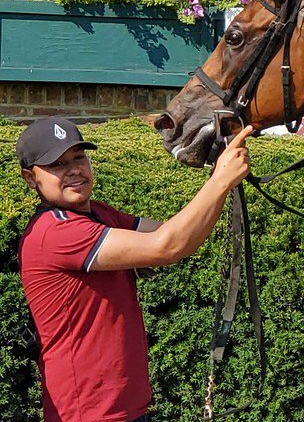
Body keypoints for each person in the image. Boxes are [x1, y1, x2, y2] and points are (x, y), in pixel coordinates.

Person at [17, 116, 253, 422]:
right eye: (58, 165)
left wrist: (221, 177)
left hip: (125, 406)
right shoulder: (55, 233)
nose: (74, 169)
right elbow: (166, 246)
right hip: (88, 412)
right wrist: (221, 180)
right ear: (30, 178)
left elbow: (174, 234)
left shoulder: (98, 213)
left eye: (79, 157)